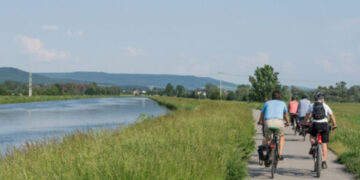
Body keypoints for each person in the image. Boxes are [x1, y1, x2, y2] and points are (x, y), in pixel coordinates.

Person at [305, 92, 337, 169]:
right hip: (324, 125)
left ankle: (313, 145)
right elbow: (332, 116)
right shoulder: (326, 106)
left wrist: (305, 122)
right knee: (324, 143)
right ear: (322, 99)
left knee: (312, 136)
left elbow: (307, 115)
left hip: (315, 124)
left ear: (315, 99)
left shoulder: (312, 105)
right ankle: (324, 162)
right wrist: (334, 124)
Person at [258, 90, 290, 161]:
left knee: (268, 139)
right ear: (280, 97)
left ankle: (268, 153)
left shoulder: (267, 103)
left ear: (272, 97)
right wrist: (288, 122)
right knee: (281, 136)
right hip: (279, 122)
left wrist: (260, 121)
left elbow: (262, 114)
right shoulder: (283, 103)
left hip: (268, 122)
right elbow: (286, 114)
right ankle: (280, 154)